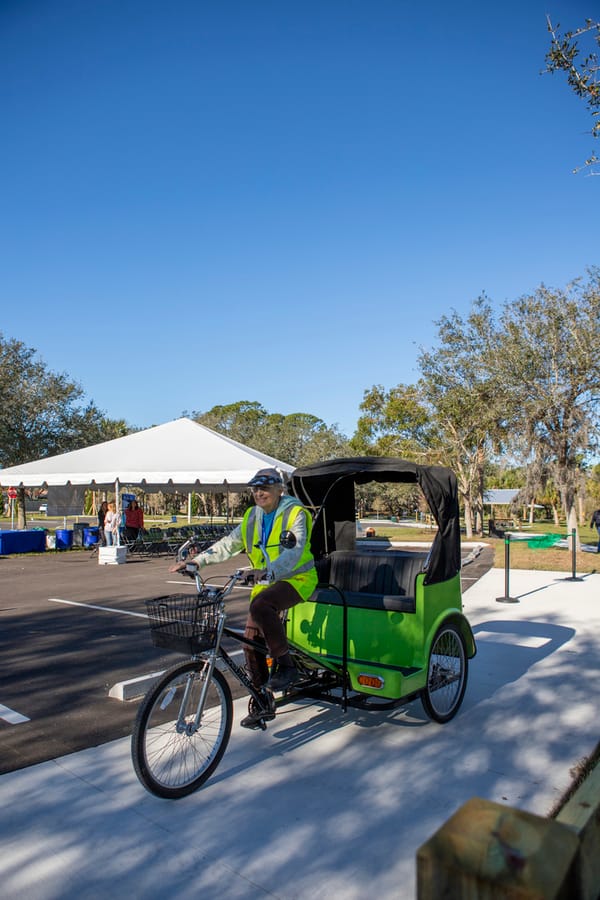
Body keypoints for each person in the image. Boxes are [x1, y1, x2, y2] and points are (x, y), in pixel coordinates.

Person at [169, 467, 318, 728]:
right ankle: (263, 702)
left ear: (280, 490)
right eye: (255, 489)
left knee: (261, 605)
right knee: (250, 645)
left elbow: (294, 552)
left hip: (297, 579)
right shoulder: (252, 516)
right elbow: (229, 544)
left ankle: (287, 666)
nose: (259, 493)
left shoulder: (296, 514)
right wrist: (197, 562)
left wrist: (268, 571)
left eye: (266, 488)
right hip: (265, 582)